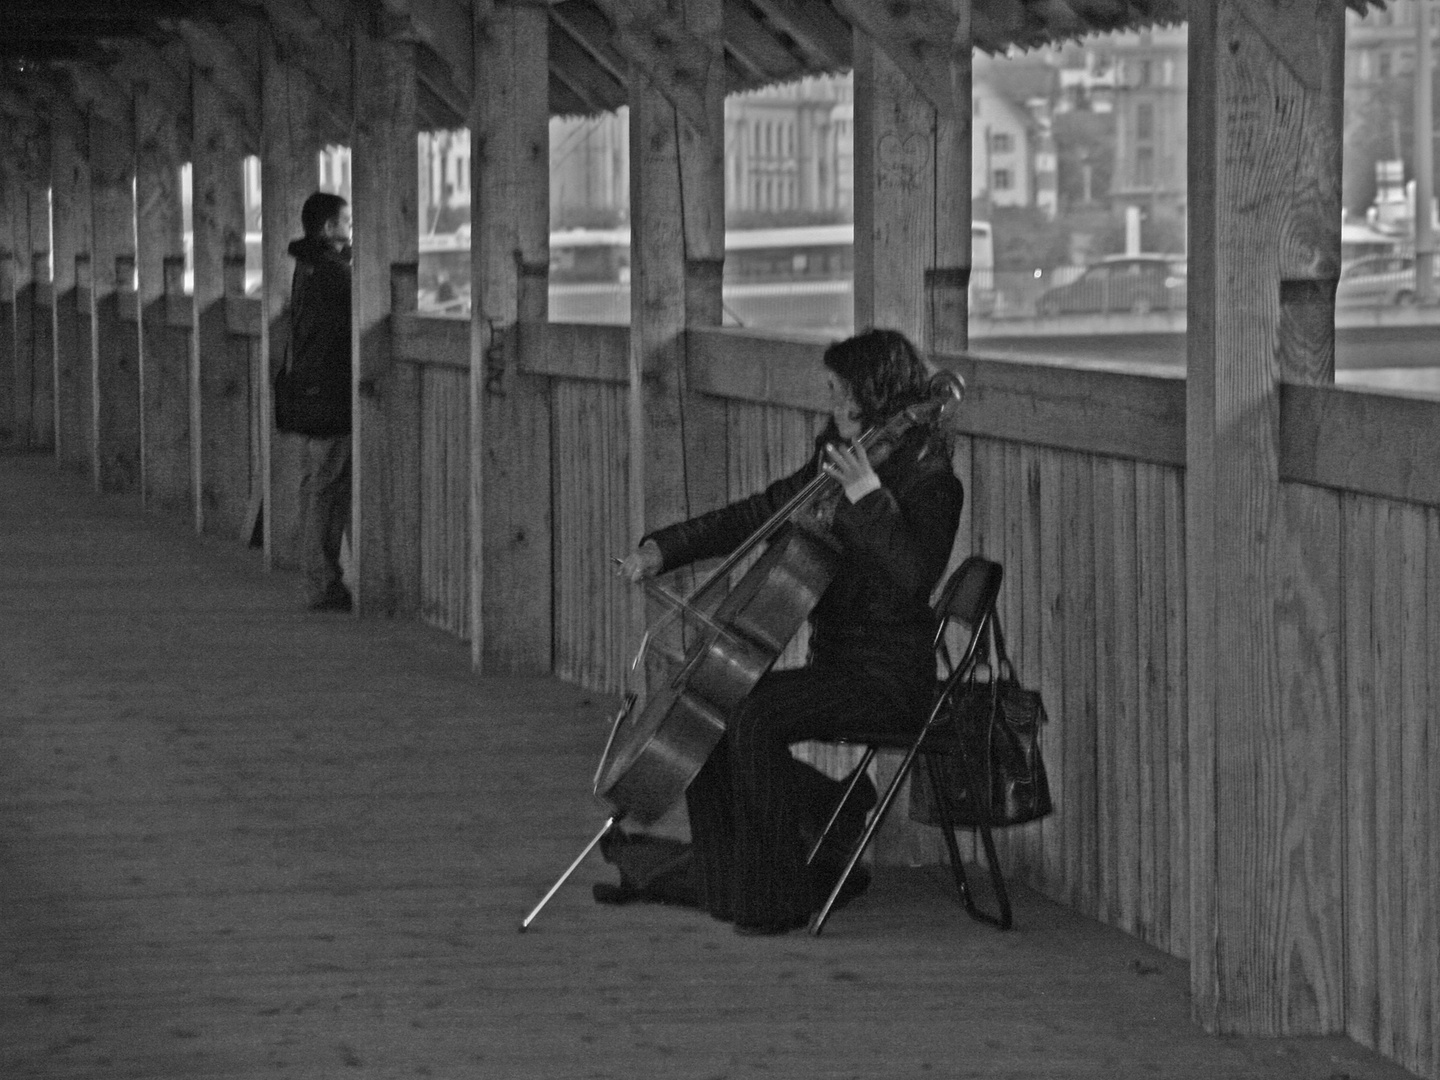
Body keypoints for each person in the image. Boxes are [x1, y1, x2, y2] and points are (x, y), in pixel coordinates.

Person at [614, 328, 964, 935]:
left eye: (840, 392)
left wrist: (868, 498)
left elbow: (914, 576)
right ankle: (729, 884)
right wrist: (661, 550)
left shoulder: (933, 484)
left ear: (871, 397)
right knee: (716, 708)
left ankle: (776, 896)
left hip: (890, 680)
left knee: (757, 717)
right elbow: (760, 513)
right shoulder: (838, 462)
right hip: (839, 665)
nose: (831, 404)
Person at [287, 191, 354, 612]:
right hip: (332, 392)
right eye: (345, 222)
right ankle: (322, 581)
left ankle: (319, 578)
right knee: (327, 487)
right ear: (329, 228)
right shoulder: (331, 272)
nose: (350, 228)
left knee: (317, 485)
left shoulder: (307, 268)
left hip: (313, 391)